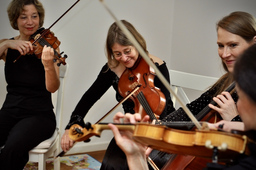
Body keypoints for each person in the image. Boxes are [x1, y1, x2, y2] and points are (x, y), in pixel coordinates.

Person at [107, 11, 256, 169]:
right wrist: (157, 130)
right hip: (203, 152)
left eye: (233, 45)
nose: (224, 54)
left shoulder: (249, 85)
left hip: (231, 162)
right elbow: (191, 110)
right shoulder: (227, 81)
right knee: (118, 149)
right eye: (220, 45)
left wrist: (234, 119)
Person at [61, 20, 175, 170]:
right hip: (130, 128)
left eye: (127, 51)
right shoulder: (113, 68)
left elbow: (166, 106)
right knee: (111, 164)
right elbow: (90, 97)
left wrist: (151, 133)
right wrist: (71, 125)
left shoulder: (156, 66)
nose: (124, 58)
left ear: (137, 44)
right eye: (117, 54)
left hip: (160, 127)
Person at [0, 0, 60, 169]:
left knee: (12, 148)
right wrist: (7, 43)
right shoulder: (7, 46)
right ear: (15, 20)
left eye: (34, 16)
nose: (30, 22)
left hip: (39, 115)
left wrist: (48, 65)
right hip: (10, 111)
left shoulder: (47, 46)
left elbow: (53, 87)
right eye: (23, 17)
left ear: (39, 18)